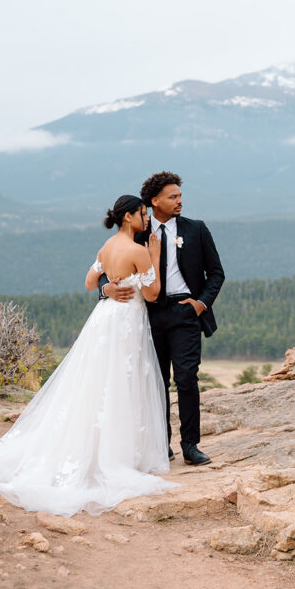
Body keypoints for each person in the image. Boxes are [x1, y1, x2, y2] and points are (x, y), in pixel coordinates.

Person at [0, 195, 177, 517]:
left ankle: (94, 445)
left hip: (104, 318)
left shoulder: (106, 247)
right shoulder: (137, 251)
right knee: (121, 381)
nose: (146, 219)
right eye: (142, 214)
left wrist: (107, 289)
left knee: (95, 379)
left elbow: (91, 282)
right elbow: (152, 293)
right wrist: (154, 256)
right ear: (129, 217)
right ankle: (115, 454)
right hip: (127, 321)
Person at [100, 172, 225, 466]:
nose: (180, 201)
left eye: (180, 196)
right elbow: (108, 264)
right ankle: (160, 444)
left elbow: (217, 273)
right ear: (154, 201)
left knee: (186, 378)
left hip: (185, 312)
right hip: (148, 314)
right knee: (155, 381)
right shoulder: (138, 232)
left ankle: (191, 445)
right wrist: (106, 289)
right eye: (173, 196)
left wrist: (200, 304)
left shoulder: (196, 229)